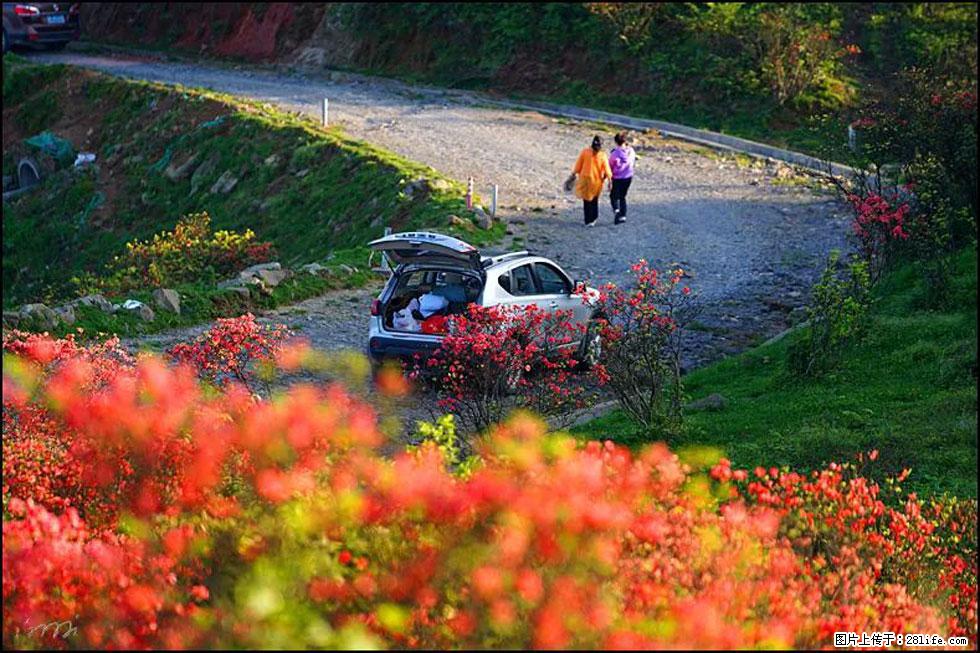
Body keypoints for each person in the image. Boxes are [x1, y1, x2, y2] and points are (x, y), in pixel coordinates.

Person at [571, 135, 612, 227]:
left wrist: (573, 173)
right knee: (594, 200)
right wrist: (609, 180)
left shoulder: (585, 152)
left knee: (586, 201)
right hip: (596, 182)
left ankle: (588, 220)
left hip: (585, 180)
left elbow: (578, 165)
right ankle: (593, 218)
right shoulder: (602, 155)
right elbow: (607, 169)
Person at [608, 131, 636, 225]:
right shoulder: (631, 151)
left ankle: (616, 210)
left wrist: (608, 177)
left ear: (616, 142)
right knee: (623, 196)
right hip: (628, 176)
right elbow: (632, 162)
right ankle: (623, 216)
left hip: (617, 177)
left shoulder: (614, 154)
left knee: (613, 196)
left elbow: (610, 166)